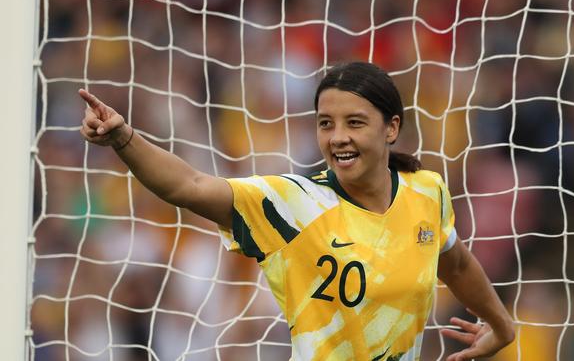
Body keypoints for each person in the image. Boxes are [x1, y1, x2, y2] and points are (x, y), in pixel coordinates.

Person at [79, 61, 514, 361]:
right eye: (326, 123)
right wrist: (123, 138)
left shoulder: (427, 190)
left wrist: (501, 325)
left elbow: (454, 262)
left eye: (355, 122)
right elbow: (187, 185)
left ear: (392, 128)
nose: (337, 137)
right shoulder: (292, 203)